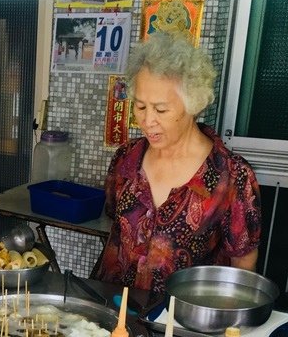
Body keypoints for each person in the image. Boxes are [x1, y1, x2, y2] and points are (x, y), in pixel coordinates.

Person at [96, 33, 261, 295]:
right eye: (140, 106)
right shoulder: (125, 159)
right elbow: (115, 234)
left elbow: (242, 262)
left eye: (161, 110)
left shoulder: (231, 176)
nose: (148, 120)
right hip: (116, 315)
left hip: (185, 324)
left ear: (192, 104)